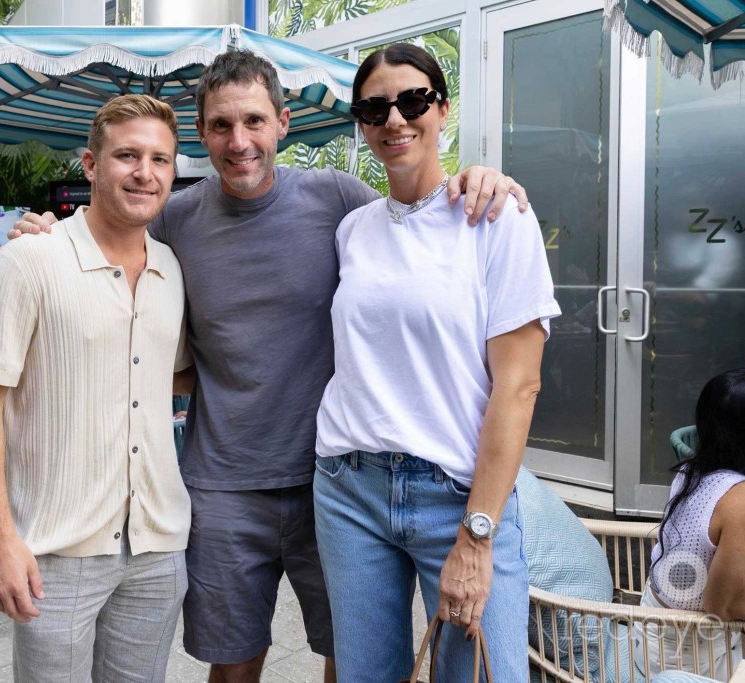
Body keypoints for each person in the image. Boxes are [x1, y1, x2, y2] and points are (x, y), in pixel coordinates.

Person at [14, 49, 527, 682]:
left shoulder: (339, 201)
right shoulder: (175, 218)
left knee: (353, 656)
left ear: (283, 122)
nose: (240, 141)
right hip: (224, 484)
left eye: (254, 121)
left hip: (332, 481)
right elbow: (110, 234)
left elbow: (418, 220)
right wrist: (50, 234)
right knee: (233, 661)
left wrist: (479, 179)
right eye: (221, 125)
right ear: (201, 134)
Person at [310, 42, 560, 682]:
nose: (395, 119)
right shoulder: (353, 229)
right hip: (349, 488)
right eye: (375, 108)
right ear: (362, 125)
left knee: (482, 674)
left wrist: (477, 537)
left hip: (457, 495)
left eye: (413, 100)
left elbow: (520, 385)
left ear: (441, 109)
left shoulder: (497, 218)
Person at [0, 94, 191, 682]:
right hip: (56, 552)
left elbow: (171, 374)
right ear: (90, 165)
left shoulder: (171, 268)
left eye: (160, 159)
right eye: (127, 156)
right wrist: (0, 538)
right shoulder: (30, 262)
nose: (145, 172)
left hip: (157, 546)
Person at [636, 369, 745, 679]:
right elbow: (719, 607)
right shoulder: (738, 500)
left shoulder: (690, 470)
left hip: (652, 629)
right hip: (692, 652)